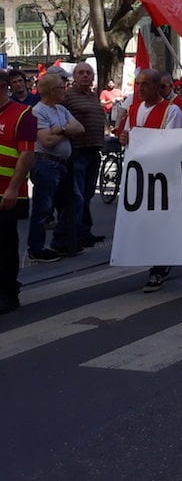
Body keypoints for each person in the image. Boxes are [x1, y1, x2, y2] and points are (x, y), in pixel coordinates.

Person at [119, 70, 182, 292]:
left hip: (162, 176)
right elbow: (127, 137)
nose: (140, 89)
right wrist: (124, 138)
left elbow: (172, 142)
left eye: (145, 84)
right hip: (140, 175)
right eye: (138, 85)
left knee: (162, 219)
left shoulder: (171, 110)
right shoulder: (134, 109)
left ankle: (161, 265)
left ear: (158, 87)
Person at [26, 73, 85, 262]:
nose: (65, 90)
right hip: (46, 163)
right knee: (43, 208)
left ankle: (60, 241)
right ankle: (36, 248)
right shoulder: (38, 111)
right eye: (61, 87)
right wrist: (66, 130)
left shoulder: (61, 109)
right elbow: (47, 140)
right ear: (51, 90)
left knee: (74, 200)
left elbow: (80, 128)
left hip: (62, 164)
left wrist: (60, 129)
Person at [59, 61, 108, 252]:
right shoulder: (68, 97)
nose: (86, 76)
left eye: (89, 73)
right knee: (77, 196)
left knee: (87, 195)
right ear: (74, 77)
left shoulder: (93, 96)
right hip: (77, 151)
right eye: (81, 73)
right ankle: (71, 235)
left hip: (93, 150)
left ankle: (85, 232)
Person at [0, 70, 37, 315]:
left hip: (9, 193)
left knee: (4, 244)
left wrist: (13, 188)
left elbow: (26, 154)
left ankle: (8, 292)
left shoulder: (23, 114)